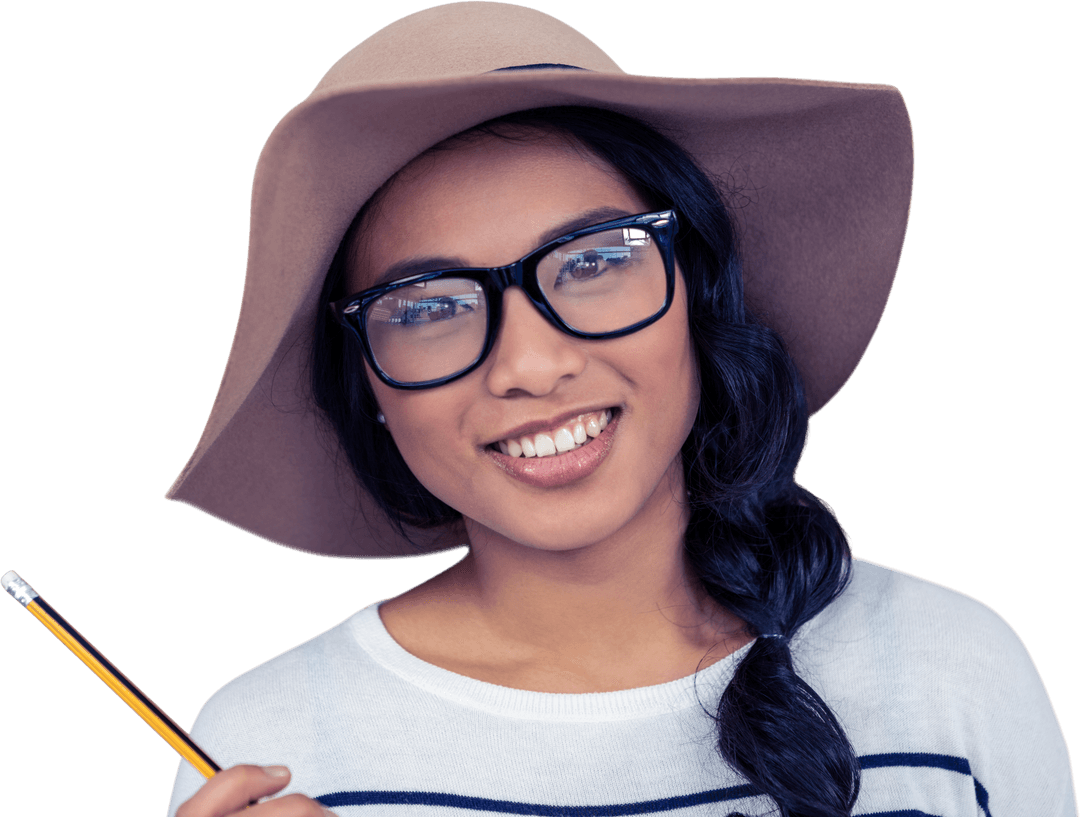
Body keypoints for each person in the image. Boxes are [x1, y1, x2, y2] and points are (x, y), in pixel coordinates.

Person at [165, 3, 1075, 816]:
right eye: (430, 308)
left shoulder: (954, 674)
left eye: (595, 261)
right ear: (366, 383)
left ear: (701, 294)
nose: (531, 363)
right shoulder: (272, 748)